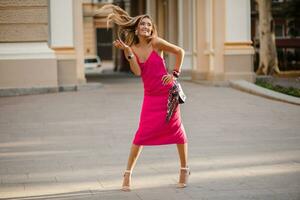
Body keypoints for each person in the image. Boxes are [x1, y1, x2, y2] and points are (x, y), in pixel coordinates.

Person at [96, 5, 190, 191]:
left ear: (152, 28)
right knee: (141, 134)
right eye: (142, 24)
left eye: (148, 24)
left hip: (167, 93)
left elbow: (180, 51)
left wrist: (175, 74)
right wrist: (128, 53)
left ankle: (184, 169)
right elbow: (138, 72)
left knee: (177, 130)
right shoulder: (131, 48)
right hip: (150, 96)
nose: (145, 27)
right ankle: (127, 174)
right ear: (137, 28)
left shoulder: (156, 43)